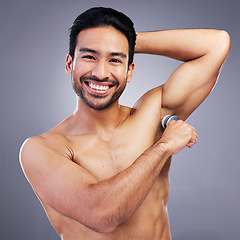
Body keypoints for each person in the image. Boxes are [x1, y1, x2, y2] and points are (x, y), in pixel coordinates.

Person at [19, 7, 230, 240]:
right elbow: (102, 214)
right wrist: (163, 146)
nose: (101, 72)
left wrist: (126, 39)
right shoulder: (43, 149)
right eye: (89, 56)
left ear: (130, 71)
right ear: (70, 64)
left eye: (115, 60)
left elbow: (217, 44)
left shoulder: (152, 114)